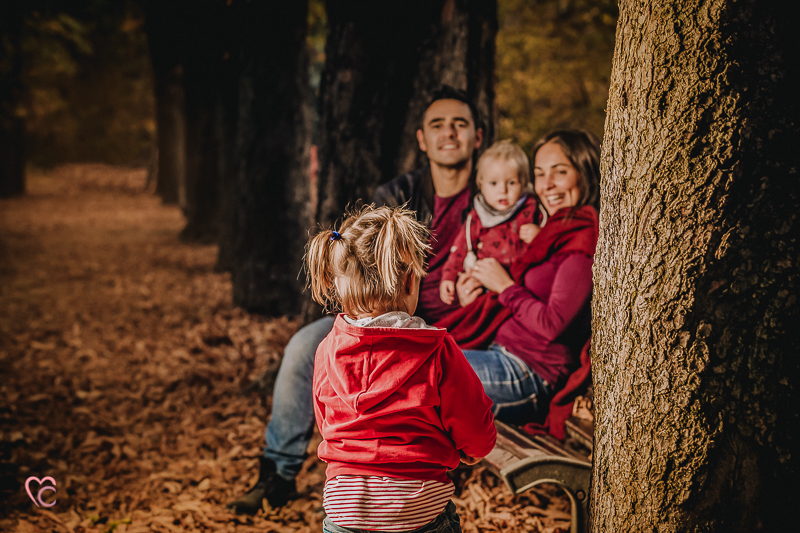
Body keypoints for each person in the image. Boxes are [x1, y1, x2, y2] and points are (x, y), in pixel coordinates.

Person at [227, 85, 484, 514]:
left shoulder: (496, 193)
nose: (449, 133)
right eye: (437, 124)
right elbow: (364, 264)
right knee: (304, 347)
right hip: (382, 314)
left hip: (457, 327)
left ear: (478, 135)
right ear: (422, 138)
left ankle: (410, 474)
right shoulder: (395, 195)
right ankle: (278, 471)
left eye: (460, 124)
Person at [307, 205, 496, 533]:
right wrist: (471, 451)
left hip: (345, 507)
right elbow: (475, 428)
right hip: (415, 508)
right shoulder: (436, 350)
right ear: (410, 281)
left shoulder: (326, 350)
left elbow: (326, 424)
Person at [452, 129, 600, 425]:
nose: (547, 185)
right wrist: (482, 284)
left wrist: (504, 286)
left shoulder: (582, 240)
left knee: (420, 370)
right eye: (540, 174)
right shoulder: (554, 229)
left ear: (584, 172)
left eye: (560, 172)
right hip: (503, 353)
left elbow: (552, 323)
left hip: (530, 373)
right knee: (410, 359)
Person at [439, 140, 541, 306]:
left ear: (523, 184)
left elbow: (552, 236)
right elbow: (460, 249)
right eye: (494, 183)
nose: (503, 190)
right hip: (485, 286)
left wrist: (539, 234)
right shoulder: (477, 217)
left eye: (512, 183)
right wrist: (448, 277)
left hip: (523, 284)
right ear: (481, 185)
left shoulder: (531, 209)